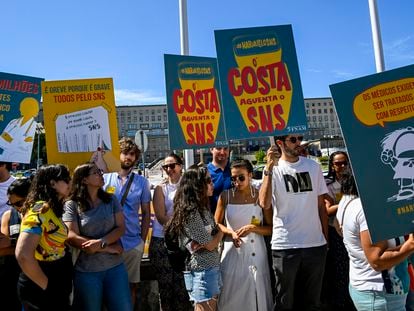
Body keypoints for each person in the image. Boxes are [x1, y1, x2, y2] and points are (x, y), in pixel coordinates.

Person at [259, 134, 329, 311]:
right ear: (280, 144)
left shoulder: (313, 166)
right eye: (293, 140)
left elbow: (321, 206)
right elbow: (264, 203)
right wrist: (268, 168)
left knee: (312, 302)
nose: (299, 143)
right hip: (285, 246)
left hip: (315, 244)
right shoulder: (273, 169)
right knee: (284, 302)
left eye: (299, 138)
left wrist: (325, 239)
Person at [337, 172, 414, 311]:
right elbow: (377, 260)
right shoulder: (369, 210)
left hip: (378, 291)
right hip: (380, 294)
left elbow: (340, 229)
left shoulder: (351, 202)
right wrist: (409, 246)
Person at [63, 163, 132, 311]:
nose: (101, 174)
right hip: (87, 271)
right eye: (96, 173)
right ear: (84, 180)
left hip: (115, 269)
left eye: (100, 172)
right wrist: (105, 248)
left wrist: (101, 242)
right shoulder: (72, 204)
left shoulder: (111, 199)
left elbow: (121, 228)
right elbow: (71, 235)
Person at [215, 159, 273, 311]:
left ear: (250, 175)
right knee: (231, 295)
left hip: (257, 251)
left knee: (256, 292)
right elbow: (216, 224)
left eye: (241, 177)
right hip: (232, 251)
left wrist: (253, 228)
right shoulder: (225, 196)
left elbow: (271, 228)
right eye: (233, 178)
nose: (237, 182)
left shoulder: (260, 196)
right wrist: (231, 232)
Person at [165, 164, 224, 311]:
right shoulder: (191, 213)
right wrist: (219, 234)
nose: (213, 184)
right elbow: (210, 244)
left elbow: (212, 237)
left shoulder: (203, 208)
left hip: (211, 266)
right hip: (202, 269)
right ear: (198, 186)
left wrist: (216, 235)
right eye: (209, 181)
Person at [15, 164, 73, 311]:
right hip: (42, 284)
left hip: (55, 278)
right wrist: (48, 286)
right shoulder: (39, 209)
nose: (70, 182)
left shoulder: (52, 208)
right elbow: (23, 255)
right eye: (66, 179)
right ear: (52, 183)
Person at [102, 137, 151, 308]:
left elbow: (146, 213)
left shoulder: (142, 182)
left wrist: (142, 241)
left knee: (131, 287)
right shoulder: (105, 179)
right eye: (124, 153)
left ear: (136, 159)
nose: (128, 157)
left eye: (132, 155)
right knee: (108, 287)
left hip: (132, 243)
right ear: (118, 155)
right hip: (109, 242)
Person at [149, 153, 192, 311]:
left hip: (185, 241)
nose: (169, 169)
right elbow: (160, 216)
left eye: (172, 165)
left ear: (180, 166)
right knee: (166, 287)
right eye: (165, 167)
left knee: (183, 287)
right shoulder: (161, 188)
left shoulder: (188, 187)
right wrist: (180, 227)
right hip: (163, 240)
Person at [323, 151, 355, 310]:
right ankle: (342, 303)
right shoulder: (328, 185)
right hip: (337, 233)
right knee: (340, 270)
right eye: (338, 163)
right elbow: (327, 210)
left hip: (356, 230)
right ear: (332, 166)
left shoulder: (356, 181)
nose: (342, 166)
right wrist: (349, 200)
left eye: (344, 163)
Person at [0, 177, 31, 311]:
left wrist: (13, 243)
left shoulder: (43, 214)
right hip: (12, 274)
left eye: (18, 203)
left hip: (36, 275)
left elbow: (42, 247)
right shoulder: (8, 215)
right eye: (11, 204)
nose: (16, 208)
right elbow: (2, 249)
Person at [0, 97, 39, 163]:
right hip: (5, 157)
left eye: (23, 107)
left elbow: (25, 147)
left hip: (19, 159)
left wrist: (9, 139)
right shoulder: (13, 122)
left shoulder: (34, 126)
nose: (20, 109)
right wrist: (19, 142)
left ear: (30, 109)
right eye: (21, 106)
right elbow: (1, 141)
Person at [207, 146, 232, 214]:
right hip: (211, 219)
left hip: (233, 220)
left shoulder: (234, 171)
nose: (222, 152)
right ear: (211, 149)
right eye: (219, 148)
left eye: (225, 149)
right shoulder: (205, 172)